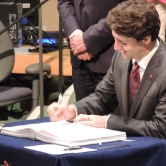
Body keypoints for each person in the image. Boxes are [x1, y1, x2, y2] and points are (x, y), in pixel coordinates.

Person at [48, 0, 166, 139]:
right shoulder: (121, 58)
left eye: (122, 42)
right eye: (115, 40)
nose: (115, 48)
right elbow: (101, 98)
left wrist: (107, 122)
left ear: (146, 39)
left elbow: (161, 127)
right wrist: (72, 110)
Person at [58, 0, 126, 101]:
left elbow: (128, 6)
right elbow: (64, 2)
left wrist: (88, 40)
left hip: (110, 56)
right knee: (82, 114)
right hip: (79, 58)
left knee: (110, 115)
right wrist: (74, 32)